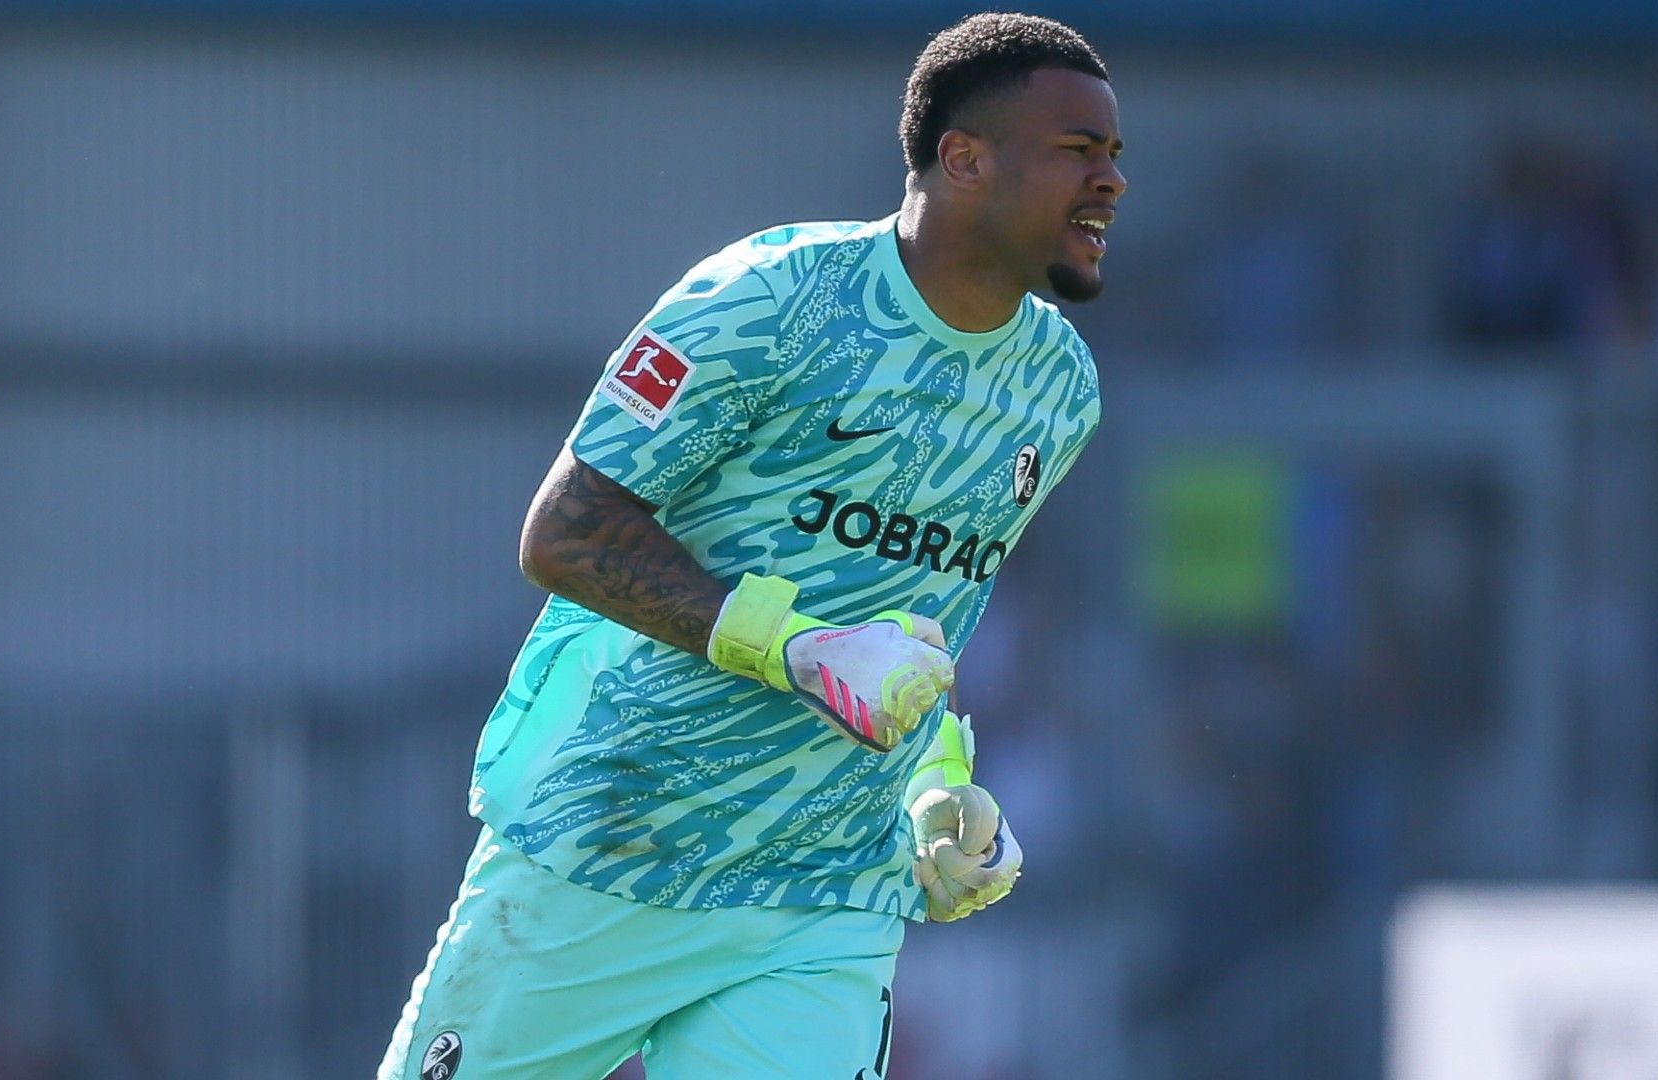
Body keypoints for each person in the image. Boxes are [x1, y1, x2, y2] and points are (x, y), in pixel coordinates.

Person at [378, 12, 1124, 1079]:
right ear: (963, 160)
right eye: (1078, 151)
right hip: (616, 841)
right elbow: (565, 534)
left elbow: (924, 604)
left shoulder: (1060, 388)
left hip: (827, 892)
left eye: (1114, 155)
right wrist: (797, 650)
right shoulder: (771, 300)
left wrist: (932, 784)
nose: (1111, 182)